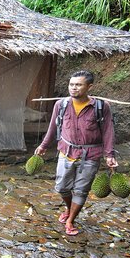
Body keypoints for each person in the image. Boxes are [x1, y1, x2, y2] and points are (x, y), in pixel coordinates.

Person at [35, 70, 117, 236]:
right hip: (66, 151)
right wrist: (43, 145)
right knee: (61, 187)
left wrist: (109, 155)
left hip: (91, 155)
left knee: (81, 190)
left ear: (89, 86)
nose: (73, 88)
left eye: (78, 85)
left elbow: (108, 131)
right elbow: (53, 127)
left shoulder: (101, 107)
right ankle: (68, 207)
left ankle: (71, 219)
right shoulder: (61, 105)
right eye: (71, 84)